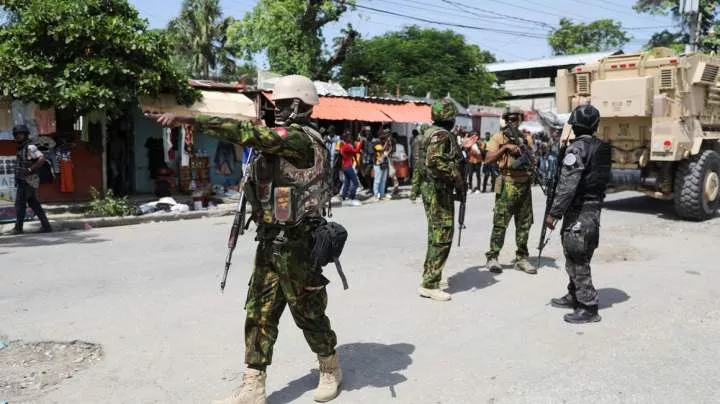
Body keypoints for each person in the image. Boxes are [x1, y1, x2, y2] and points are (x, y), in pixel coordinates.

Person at [156, 75, 342, 404]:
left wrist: (193, 119)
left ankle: (329, 367)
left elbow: (250, 133)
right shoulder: (278, 139)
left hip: (300, 244)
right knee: (259, 313)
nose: (278, 110)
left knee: (308, 312)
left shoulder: (299, 139)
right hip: (270, 242)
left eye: (283, 105)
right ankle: (253, 385)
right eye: (277, 105)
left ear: (299, 107)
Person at [545, 104, 611, 324]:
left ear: (573, 125)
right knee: (579, 254)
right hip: (593, 209)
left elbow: (567, 186)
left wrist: (554, 213)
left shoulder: (577, 150)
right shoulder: (601, 147)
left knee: (576, 258)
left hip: (579, 211)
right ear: (595, 125)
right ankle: (574, 294)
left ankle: (588, 306)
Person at [416, 98, 464, 301]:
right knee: (442, 235)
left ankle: (433, 274)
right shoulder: (442, 135)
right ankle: (430, 283)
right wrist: (456, 177)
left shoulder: (427, 133)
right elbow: (433, 161)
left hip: (431, 189)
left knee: (435, 234)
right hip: (438, 190)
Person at [482, 108, 536, 275]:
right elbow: (488, 159)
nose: (513, 121)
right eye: (510, 118)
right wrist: (505, 148)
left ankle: (521, 258)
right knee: (500, 223)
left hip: (524, 184)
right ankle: (492, 257)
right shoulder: (499, 137)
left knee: (524, 224)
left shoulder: (526, 138)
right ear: (506, 119)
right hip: (507, 183)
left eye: (516, 118)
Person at [12, 124, 52, 235]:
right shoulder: (22, 147)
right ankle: (46, 226)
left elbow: (41, 159)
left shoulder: (30, 147)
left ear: (26, 135)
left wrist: (29, 170)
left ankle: (18, 228)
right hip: (24, 180)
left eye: (21, 134)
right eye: (16, 134)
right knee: (34, 204)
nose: (18, 136)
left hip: (28, 180)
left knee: (20, 204)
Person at [339, 132, 363, 206]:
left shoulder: (346, 146)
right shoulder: (347, 146)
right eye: (349, 137)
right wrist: (361, 142)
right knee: (355, 183)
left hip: (345, 167)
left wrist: (356, 162)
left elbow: (354, 153)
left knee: (347, 182)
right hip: (348, 167)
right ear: (346, 138)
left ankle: (343, 196)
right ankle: (352, 197)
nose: (351, 138)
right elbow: (356, 151)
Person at [372, 129, 391, 200]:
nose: (385, 136)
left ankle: (382, 194)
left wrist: (388, 145)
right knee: (377, 180)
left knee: (383, 180)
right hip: (378, 164)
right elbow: (382, 150)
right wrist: (386, 142)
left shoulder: (384, 142)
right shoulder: (376, 143)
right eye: (383, 135)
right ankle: (376, 195)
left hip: (384, 163)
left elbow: (388, 150)